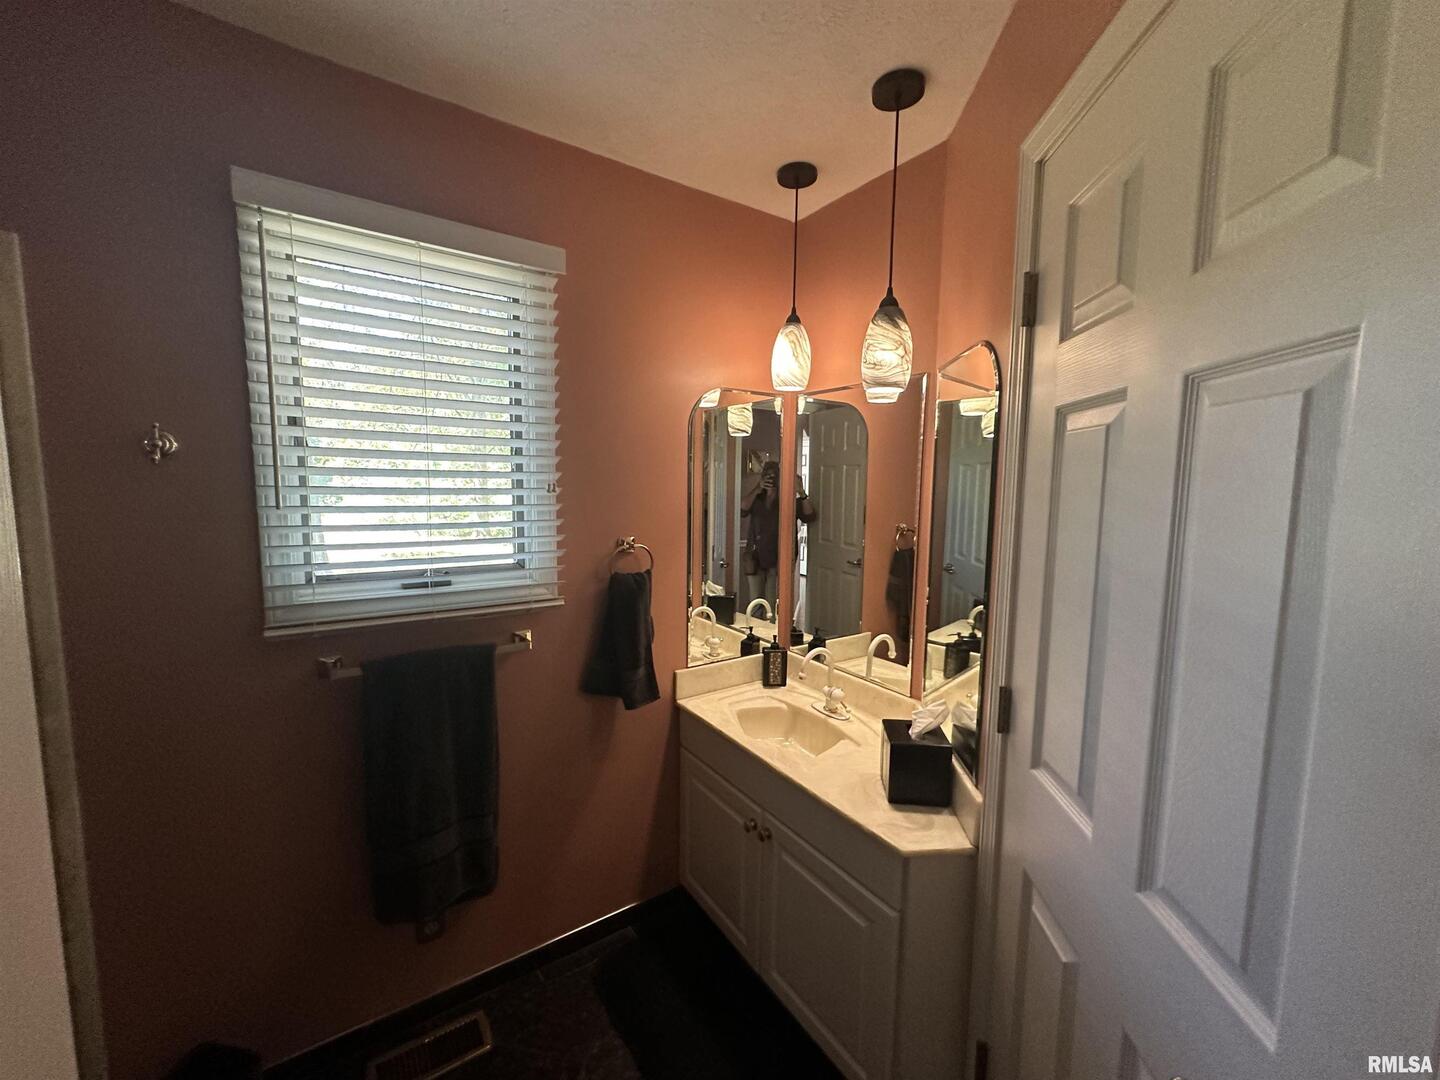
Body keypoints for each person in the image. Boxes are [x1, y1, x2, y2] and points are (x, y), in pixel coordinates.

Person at [740, 461, 817, 608]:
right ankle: (755, 623)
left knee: (773, 604)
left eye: (774, 476)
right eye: (768, 476)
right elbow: (742, 510)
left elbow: (810, 516)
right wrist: (758, 488)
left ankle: (771, 624)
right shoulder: (757, 498)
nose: (771, 479)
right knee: (754, 603)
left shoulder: (788, 501)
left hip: (779, 558)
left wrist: (801, 493)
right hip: (755, 557)